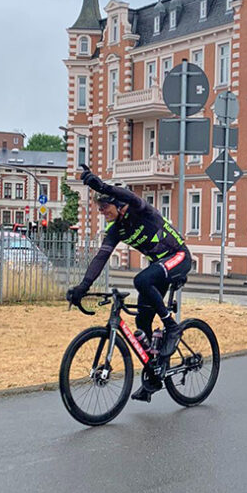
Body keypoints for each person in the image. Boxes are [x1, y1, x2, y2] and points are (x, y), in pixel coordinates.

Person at [66, 166, 191, 401]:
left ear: (118, 204)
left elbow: (129, 196)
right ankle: (154, 375)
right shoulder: (117, 230)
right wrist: (82, 286)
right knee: (142, 322)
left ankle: (172, 327)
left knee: (140, 279)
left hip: (179, 257)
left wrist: (101, 186)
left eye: (105, 206)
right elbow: (101, 257)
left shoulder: (139, 211)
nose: (102, 211)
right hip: (159, 267)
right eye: (99, 208)